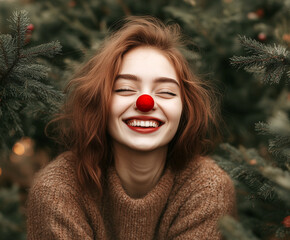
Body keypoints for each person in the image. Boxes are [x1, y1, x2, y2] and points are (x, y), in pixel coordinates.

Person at [26, 16, 236, 240]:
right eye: (125, 89)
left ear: (185, 110)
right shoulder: (57, 190)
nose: (145, 103)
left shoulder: (209, 188)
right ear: (100, 103)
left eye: (166, 92)